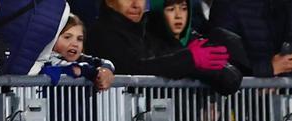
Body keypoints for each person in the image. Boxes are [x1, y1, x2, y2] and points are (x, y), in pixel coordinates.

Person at [86, 0, 229, 78]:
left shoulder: (147, 32)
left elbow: (230, 82)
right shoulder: (101, 33)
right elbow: (133, 69)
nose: (136, 4)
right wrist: (188, 59)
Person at [210, 0, 292, 79]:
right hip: (241, 102)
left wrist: (283, 79)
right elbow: (219, 59)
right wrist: (268, 69)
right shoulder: (229, 4)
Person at [41, 15, 116, 90]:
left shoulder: (82, 59)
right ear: (52, 39)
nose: (75, 44)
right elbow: (72, 68)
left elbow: (106, 62)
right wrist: (95, 73)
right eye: (67, 37)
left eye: (79, 39)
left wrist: (106, 69)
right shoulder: (46, 59)